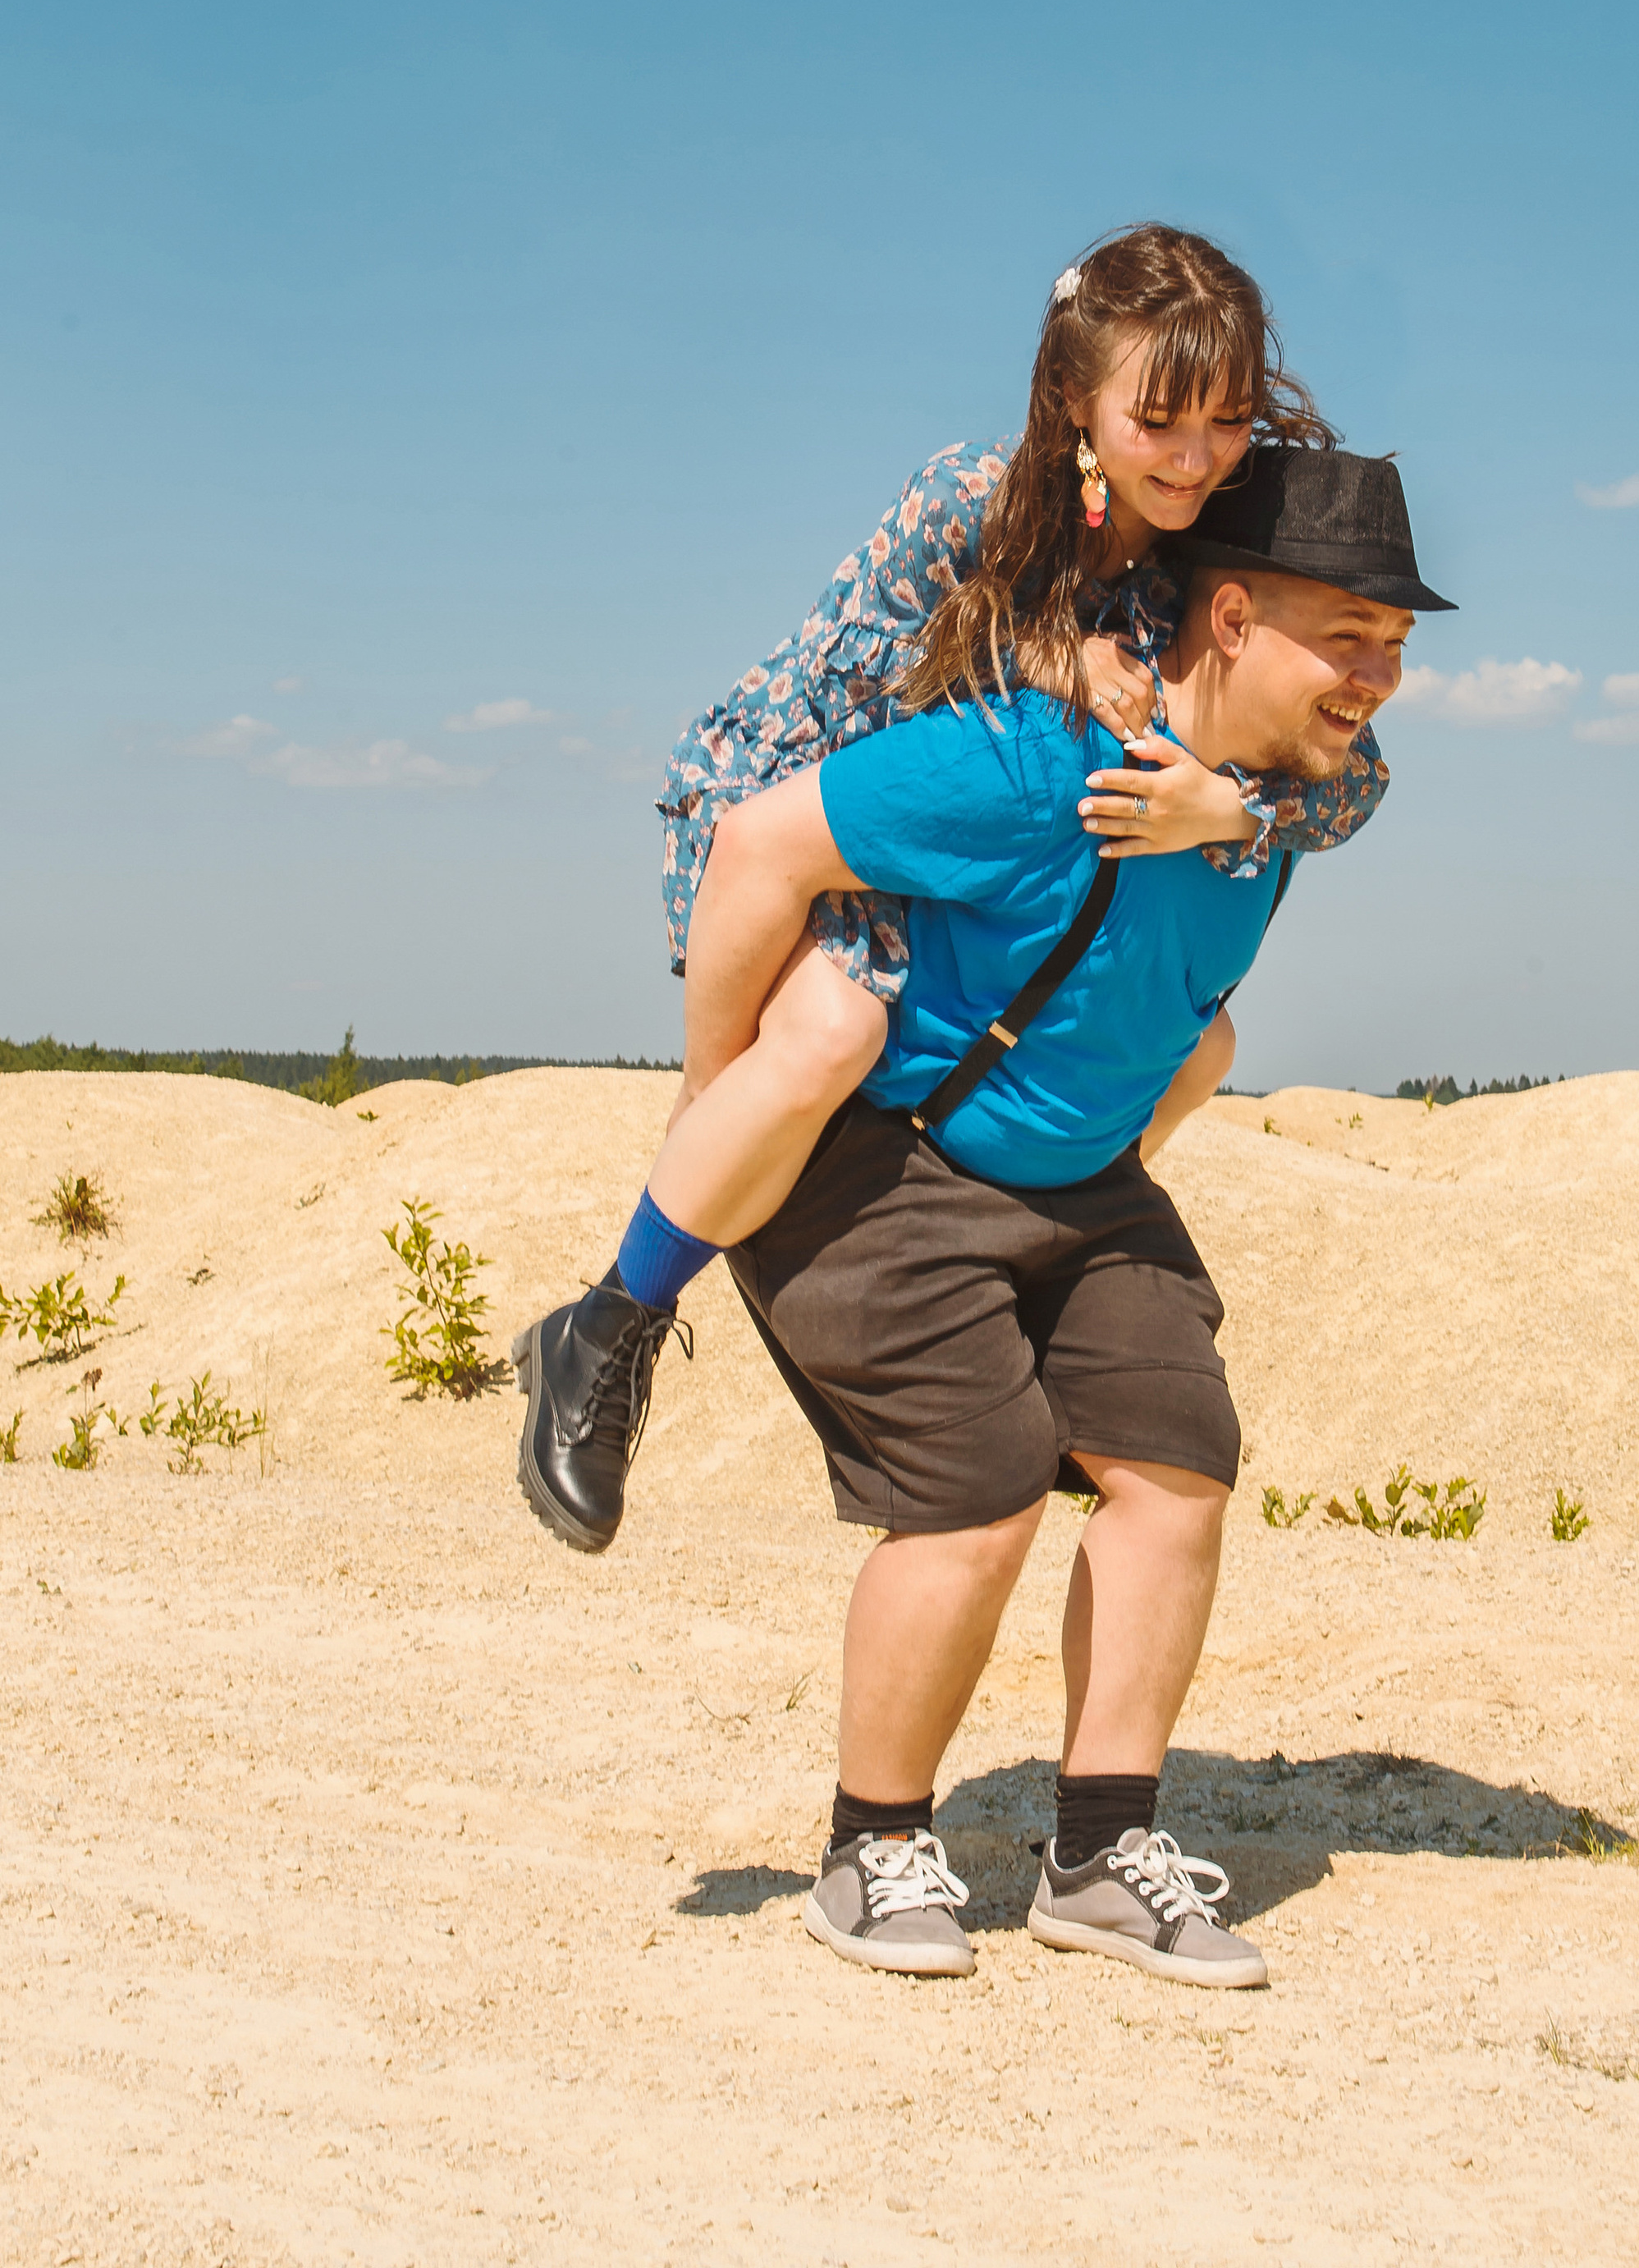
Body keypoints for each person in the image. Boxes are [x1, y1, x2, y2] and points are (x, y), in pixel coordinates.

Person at [550, 446, 1453, 1986]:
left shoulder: (1290, 794)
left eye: (1397, 646)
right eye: (1347, 637)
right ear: (1233, 620)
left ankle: (1098, 1855)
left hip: (1083, 1179)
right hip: (885, 1157)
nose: (1377, 678)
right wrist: (717, 1097)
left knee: (1177, 1460)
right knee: (976, 1488)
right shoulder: (1042, 757)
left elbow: (1237, 925)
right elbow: (762, 842)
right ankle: (873, 1846)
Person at [514, 226, 1391, 1552]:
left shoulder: (1196, 543)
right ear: (1076, 400)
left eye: (1225, 419)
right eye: (1158, 419)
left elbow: (1352, 773)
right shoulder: (977, 497)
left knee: (1197, 1045)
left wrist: (1234, 809)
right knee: (823, 1037)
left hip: (942, 848)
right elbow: (875, 686)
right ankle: (605, 1329)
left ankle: (1025, 1263)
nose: (1196, 456)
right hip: (796, 792)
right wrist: (1050, 652)